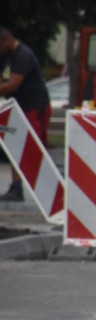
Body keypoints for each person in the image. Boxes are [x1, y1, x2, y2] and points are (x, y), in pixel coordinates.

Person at [0, 27, 51, 202]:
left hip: (35, 107)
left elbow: (13, 84)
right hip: (18, 108)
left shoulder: (23, 55)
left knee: (36, 146)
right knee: (15, 144)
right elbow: (3, 79)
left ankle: (50, 187)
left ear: (6, 41)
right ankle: (16, 187)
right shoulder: (7, 56)